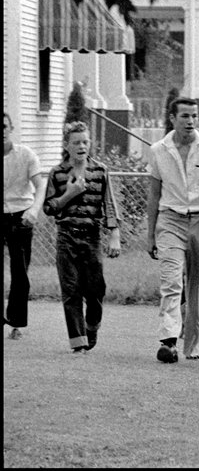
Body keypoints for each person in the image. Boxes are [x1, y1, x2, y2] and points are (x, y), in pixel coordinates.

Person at [147, 97, 199, 363]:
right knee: (171, 280)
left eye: (194, 115)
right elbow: (154, 193)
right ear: (172, 118)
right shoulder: (159, 150)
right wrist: (150, 234)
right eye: (184, 116)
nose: (190, 121)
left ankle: (192, 343)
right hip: (170, 220)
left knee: (197, 283)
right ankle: (168, 341)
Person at [43, 121, 121, 353]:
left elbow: (109, 203)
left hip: (92, 237)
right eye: (76, 142)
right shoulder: (57, 173)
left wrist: (114, 233)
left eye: (85, 142)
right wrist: (69, 194)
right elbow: (49, 207)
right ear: (67, 145)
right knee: (71, 290)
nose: (82, 146)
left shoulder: (100, 171)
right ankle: (79, 343)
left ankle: (92, 326)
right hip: (67, 237)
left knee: (96, 290)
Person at [3, 112, 46, 340]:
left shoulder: (26, 155)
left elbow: (40, 185)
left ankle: (16, 324)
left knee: (20, 272)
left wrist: (33, 210)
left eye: (4, 126)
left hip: (20, 215)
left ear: (11, 129)